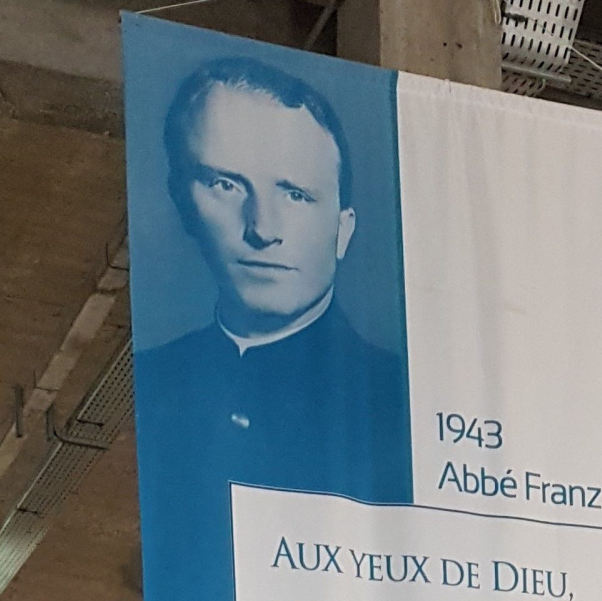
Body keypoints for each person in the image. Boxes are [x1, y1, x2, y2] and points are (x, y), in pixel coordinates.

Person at [135, 53, 410, 505]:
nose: (262, 229)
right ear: (183, 204)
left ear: (343, 229)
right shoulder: (147, 385)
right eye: (226, 185)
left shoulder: (403, 406)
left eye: (296, 195)